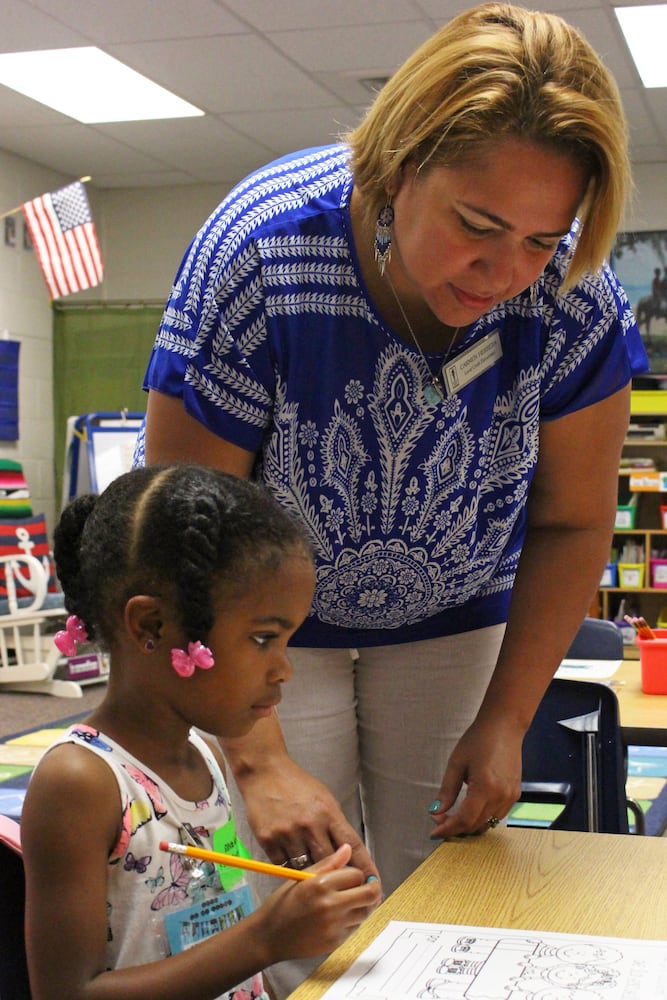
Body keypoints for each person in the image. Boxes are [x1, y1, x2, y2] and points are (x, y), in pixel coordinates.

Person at [134, 4, 648, 994]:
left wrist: (506, 721)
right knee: (296, 903)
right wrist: (256, 754)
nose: (503, 276)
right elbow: (181, 517)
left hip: (456, 611)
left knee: (443, 877)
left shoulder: (574, 292)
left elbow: (575, 518)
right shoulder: (261, 246)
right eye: (476, 226)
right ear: (394, 164)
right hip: (265, 626)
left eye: (542, 238)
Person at [20, 465, 381, 1000]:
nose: (284, 670)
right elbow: (67, 994)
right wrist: (265, 938)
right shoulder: (80, 783)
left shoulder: (203, 755)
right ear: (151, 627)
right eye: (263, 640)